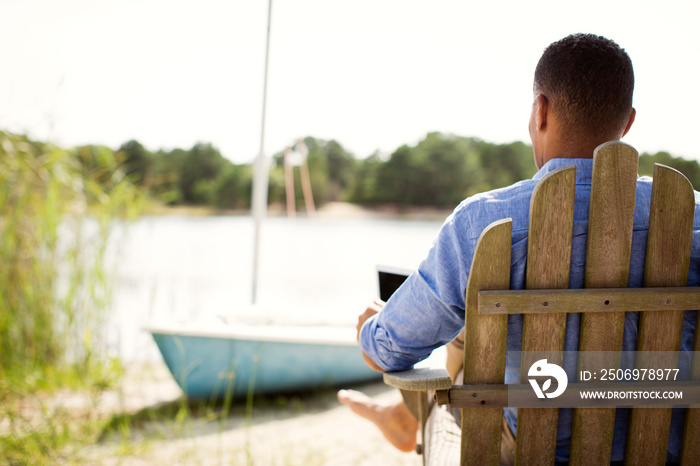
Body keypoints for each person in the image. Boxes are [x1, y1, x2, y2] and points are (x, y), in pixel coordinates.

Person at [338, 33, 699, 464]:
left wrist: (371, 329)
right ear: (627, 123)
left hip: (527, 451)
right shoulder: (691, 219)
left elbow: (387, 350)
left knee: (473, 325)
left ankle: (405, 418)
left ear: (539, 111)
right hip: (664, 450)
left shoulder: (482, 222)